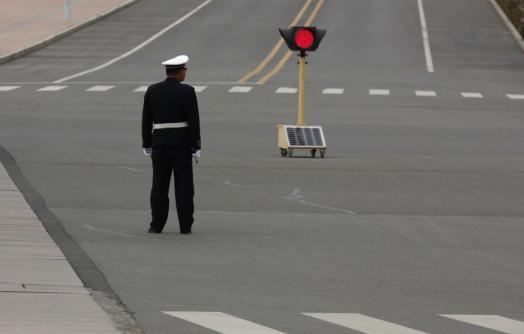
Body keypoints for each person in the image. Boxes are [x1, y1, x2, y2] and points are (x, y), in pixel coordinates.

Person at [141, 55, 201, 234]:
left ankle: (156, 225)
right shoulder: (187, 91)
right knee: (184, 187)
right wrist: (196, 145)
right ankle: (185, 226)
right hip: (181, 144)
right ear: (181, 71)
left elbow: (146, 119)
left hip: (159, 143)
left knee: (159, 186)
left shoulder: (153, 90)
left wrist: (147, 143)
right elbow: (193, 121)